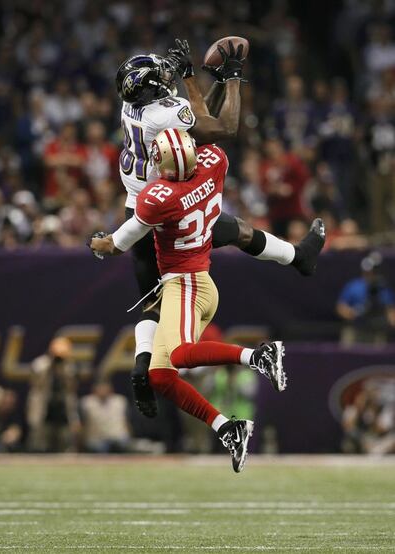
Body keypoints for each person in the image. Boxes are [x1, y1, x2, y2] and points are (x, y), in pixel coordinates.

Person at [114, 39, 326, 420]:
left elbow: (197, 121)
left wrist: (202, 81)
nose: (168, 78)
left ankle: (140, 368)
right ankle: (298, 258)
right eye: (160, 76)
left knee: (152, 299)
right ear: (150, 88)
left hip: (141, 207)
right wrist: (227, 78)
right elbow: (222, 126)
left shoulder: (134, 107)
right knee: (237, 231)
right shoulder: (164, 116)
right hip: (172, 207)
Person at [90, 129, 325, 472]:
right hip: (193, 281)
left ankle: (258, 356)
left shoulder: (159, 197)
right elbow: (207, 141)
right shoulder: (215, 162)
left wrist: (95, 243)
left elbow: (115, 244)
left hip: (186, 284)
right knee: (160, 377)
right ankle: (227, 428)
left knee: (182, 354)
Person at [336, 252, 395, 344]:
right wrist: (353, 313)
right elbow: (341, 308)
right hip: (356, 328)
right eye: (368, 271)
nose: (370, 274)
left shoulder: (383, 288)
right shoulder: (353, 286)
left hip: (377, 330)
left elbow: (391, 312)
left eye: (374, 271)